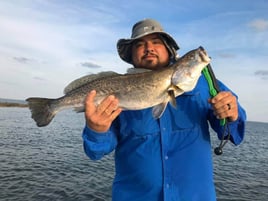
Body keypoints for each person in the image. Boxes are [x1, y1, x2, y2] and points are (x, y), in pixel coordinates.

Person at [82, 19, 246, 201]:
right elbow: (95, 152)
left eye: (156, 42)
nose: (149, 48)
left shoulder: (204, 83)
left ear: (169, 49)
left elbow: (231, 132)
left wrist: (232, 114)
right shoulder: (115, 91)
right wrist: (96, 130)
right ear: (131, 55)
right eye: (140, 44)